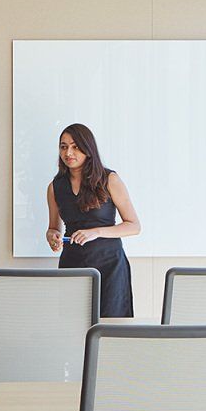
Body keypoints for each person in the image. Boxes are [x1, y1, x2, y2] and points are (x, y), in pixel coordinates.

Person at [44, 123, 139, 318]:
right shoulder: (54, 187)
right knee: (72, 325)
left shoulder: (109, 179)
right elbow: (53, 227)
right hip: (72, 265)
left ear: (88, 149)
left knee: (111, 328)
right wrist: (52, 236)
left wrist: (96, 231)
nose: (68, 152)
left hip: (109, 265)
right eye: (63, 146)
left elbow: (134, 226)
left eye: (75, 146)